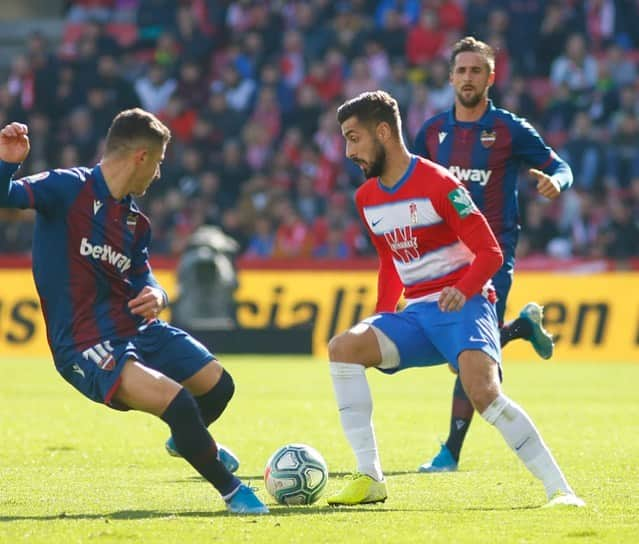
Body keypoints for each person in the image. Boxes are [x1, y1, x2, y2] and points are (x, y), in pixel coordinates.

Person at [0, 109, 268, 515]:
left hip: (137, 330)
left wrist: (158, 295)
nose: (158, 175)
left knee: (219, 387)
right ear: (141, 157)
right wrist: (7, 161)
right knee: (176, 401)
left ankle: (190, 440)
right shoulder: (68, 188)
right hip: (84, 342)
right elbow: (7, 196)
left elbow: (145, 275)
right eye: (158, 163)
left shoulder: (133, 221)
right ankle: (234, 493)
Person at [326, 90, 583, 508]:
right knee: (343, 348)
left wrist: (461, 290)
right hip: (417, 313)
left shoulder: (439, 183)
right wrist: (382, 320)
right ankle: (370, 477)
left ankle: (561, 491)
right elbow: (391, 264)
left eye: (354, 138)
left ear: (384, 132)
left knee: (482, 393)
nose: (349, 150)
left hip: (465, 303)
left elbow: (490, 254)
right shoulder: (366, 198)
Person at [412, 36, 573, 473]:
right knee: (459, 356)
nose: (468, 78)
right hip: (445, 256)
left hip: (492, 254)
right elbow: (411, 181)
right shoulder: (431, 132)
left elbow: (561, 165)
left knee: (466, 353)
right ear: (450, 77)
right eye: (461, 70)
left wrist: (556, 182)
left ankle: (450, 453)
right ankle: (520, 328)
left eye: (476, 70)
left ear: (491, 77)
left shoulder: (510, 129)